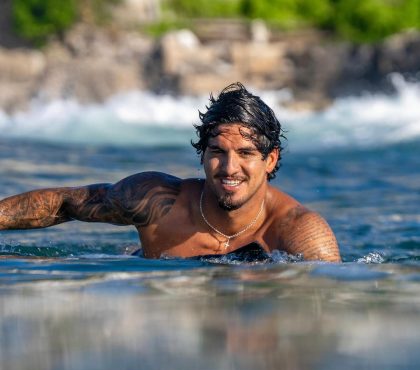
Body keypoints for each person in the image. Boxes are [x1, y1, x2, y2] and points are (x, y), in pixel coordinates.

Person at [0, 83, 341, 262]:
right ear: (202, 154)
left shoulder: (300, 233)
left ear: (270, 159)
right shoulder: (158, 202)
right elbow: (65, 204)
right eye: (217, 152)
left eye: (246, 153)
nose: (229, 168)